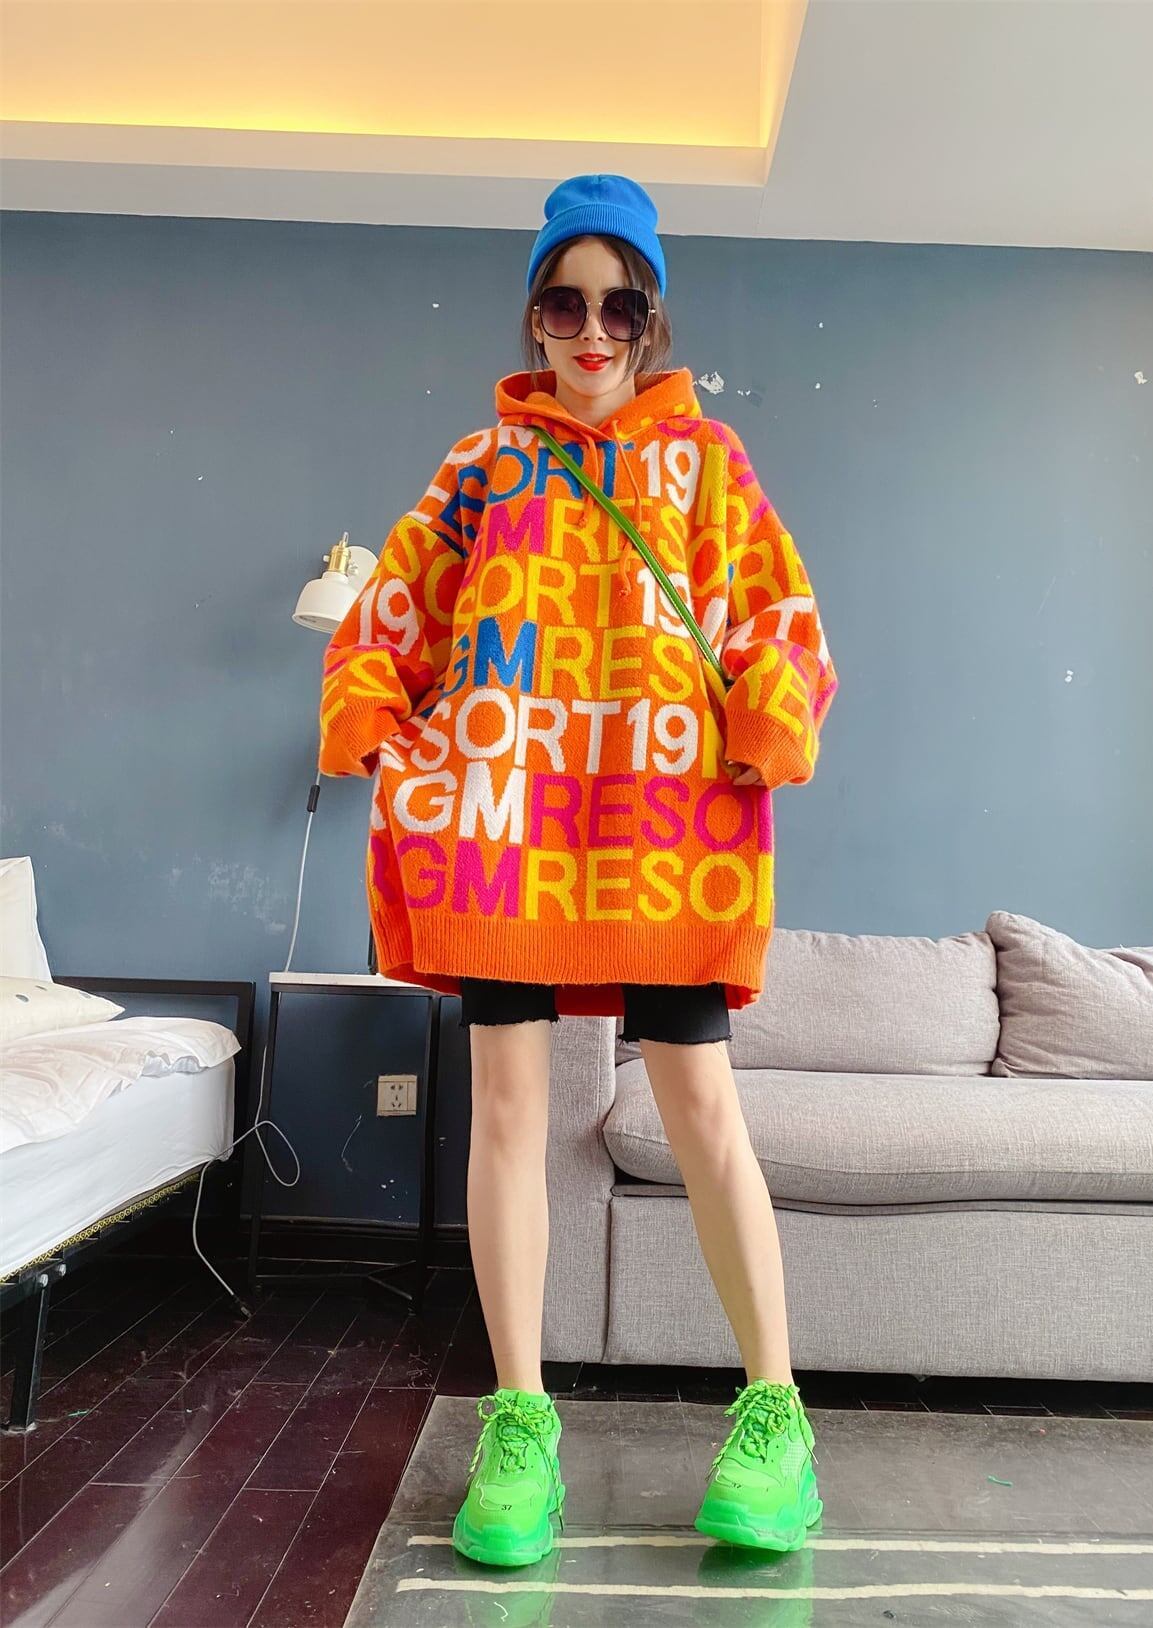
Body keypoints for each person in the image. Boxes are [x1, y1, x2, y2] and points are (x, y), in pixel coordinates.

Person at [317, 173, 838, 1567]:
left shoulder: (708, 461)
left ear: (651, 319)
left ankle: (777, 1418)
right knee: (505, 1110)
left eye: (620, 305)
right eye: (566, 301)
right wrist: (369, 704)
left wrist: (769, 717)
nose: (593, 331)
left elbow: (780, 618)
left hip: (666, 831)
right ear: (535, 314)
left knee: (704, 1110)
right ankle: (520, 1423)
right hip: (510, 829)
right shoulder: (480, 465)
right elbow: (393, 611)